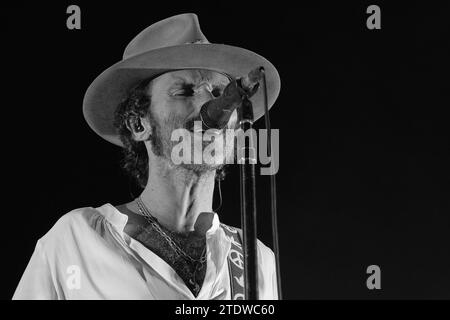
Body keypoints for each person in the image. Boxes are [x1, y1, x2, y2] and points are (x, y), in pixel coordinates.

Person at [13, 13, 280, 300]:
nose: (210, 104)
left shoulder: (256, 260)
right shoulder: (76, 241)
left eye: (219, 92)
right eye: (184, 91)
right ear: (138, 123)